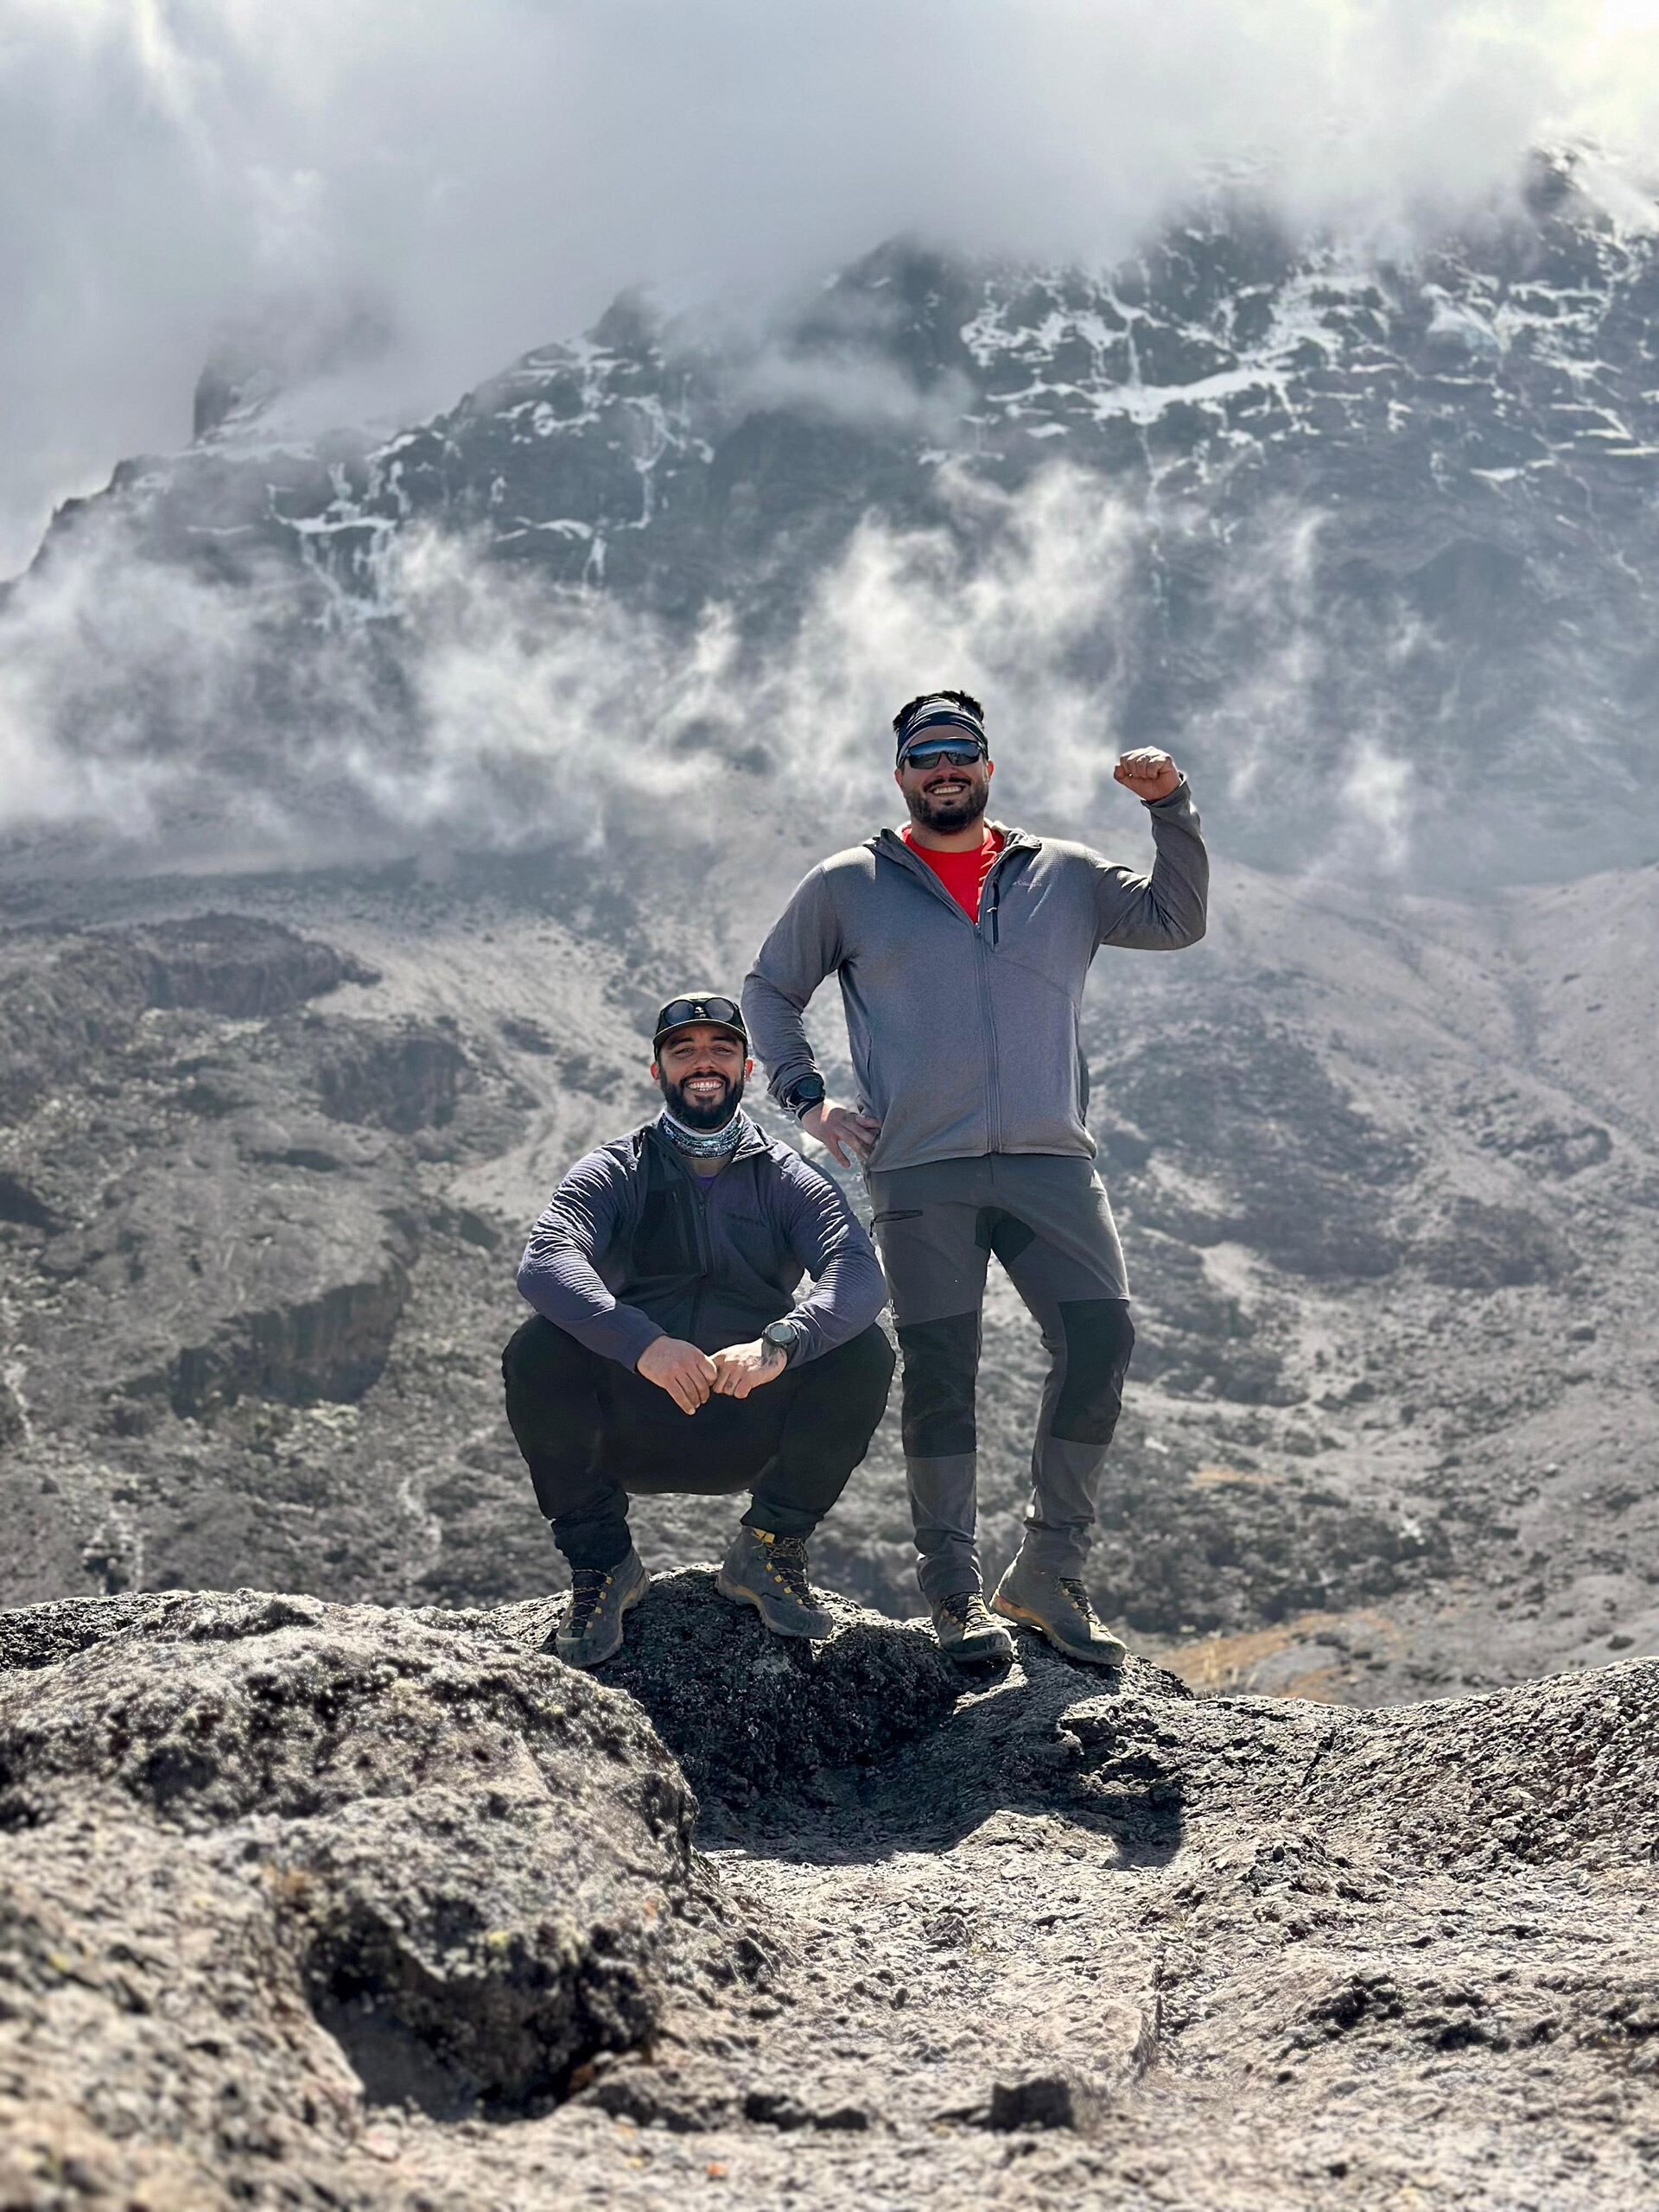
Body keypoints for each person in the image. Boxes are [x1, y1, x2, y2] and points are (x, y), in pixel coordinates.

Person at [743, 692, 1208, 1668]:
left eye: (961, 751)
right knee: (943, 1373)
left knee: (1100, 1339)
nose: (944, 767)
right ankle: (954, 1590)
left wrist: (1170, 806)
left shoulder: (1064, 874)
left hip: (1050, 1162)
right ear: (901, 775)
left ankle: (1049, 1571)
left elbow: (1177, 920)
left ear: (988, 766)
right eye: (926, 755)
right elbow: (770, 989)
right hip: (922, 1171)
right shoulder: (849, 884)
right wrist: (806, 1098)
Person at [502, 991, 894, 1667]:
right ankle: (603, 1565)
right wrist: (642, 1344)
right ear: (657, 1071)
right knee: (537, 1348)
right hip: (632, 1421)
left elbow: (857, 1272)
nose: (702, 1063)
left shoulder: (787, 1177)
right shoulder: (616, 1169)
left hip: (748, 1415)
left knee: (863, 1351)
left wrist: (780, 1344)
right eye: (683, 1051)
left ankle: (767, 1549)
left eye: (721, 1049)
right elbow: (547, 1259)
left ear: (746, 1070)